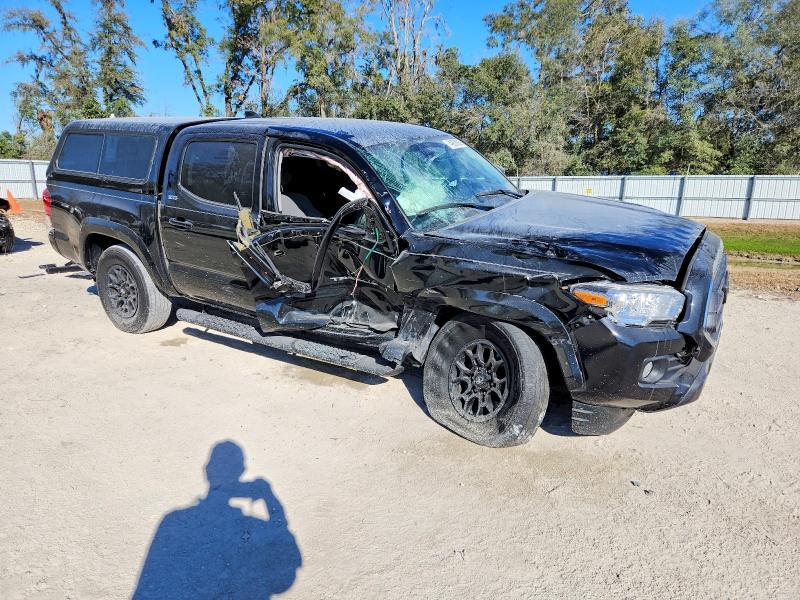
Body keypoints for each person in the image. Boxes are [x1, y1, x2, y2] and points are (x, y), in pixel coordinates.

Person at [133, 441, 301, 599]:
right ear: (241, 474)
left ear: (207, 470)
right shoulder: (251, 529)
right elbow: (284, 571)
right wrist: (269, 499)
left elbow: (147, 588)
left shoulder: (176, 522)